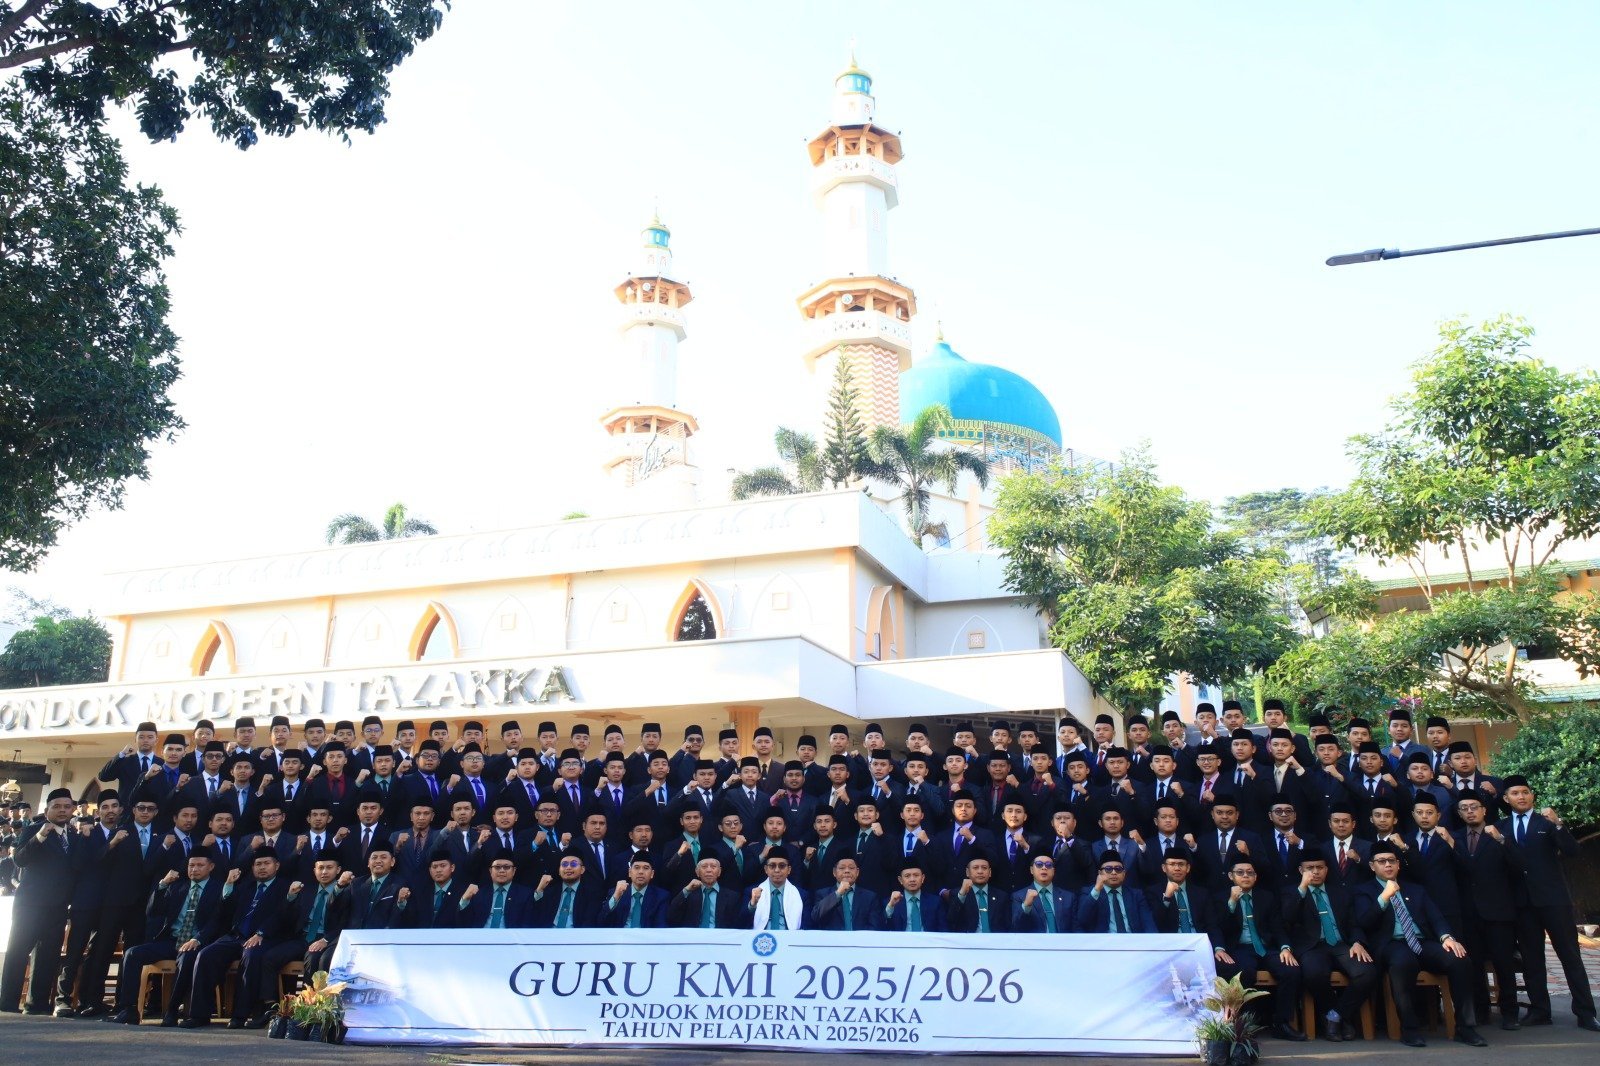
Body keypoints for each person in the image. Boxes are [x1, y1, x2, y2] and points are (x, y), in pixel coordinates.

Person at [1352, 841, 1485, 1047]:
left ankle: (1465, 1027)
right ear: (1372, 866)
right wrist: (1384, 897)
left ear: (1398, 864)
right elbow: (1364, 921)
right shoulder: (1364, 891)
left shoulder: (1416, 890)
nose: (1387, 865)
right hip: (1392, 944)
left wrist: (1447, 937)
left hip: (1421, 941)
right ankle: (1409, 1029)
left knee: (1459, 959)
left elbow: (1435, 917)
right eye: (1382, 861)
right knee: (1404, 962)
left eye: (1392, 861)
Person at [1498, 775, 1599, 1031]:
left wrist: (1559, 824)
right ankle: (1540, 1011)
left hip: (1554, 900)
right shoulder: (1500, 827)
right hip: (1522, 903)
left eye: (1525, 792)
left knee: (1570, 957)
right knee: (1532, 960)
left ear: (1532, 795)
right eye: (1515, 793)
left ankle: (1586, 1013)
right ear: (1506, 799)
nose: (1521, 797)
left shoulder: (1547, 822)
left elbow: (1572, 851)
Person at [105, 849, 227, 1024]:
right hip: (172, 941)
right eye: (191, 865)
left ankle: (172, 1010)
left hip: (198, 943)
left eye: (200, 865)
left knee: (186, 958)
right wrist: (162, 884)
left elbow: (217, 920)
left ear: (211, 867)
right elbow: (152, 911)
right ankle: (129, 1009)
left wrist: (197, 939)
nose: (194, 869)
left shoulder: (219, 888)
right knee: (132, 953)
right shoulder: (178, 887)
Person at [180, 846, 293, 1028]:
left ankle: (240, 1016)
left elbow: (282, 915)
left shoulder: (286, 887)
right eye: (258, 864)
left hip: (267, 938)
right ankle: (199, 1015)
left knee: (251, 955)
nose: (262, 867)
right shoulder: (245, 886)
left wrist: (261, 933)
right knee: (205, 955)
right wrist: (229, 886)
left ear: (277, 865)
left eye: (266, 863)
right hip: (236, 937)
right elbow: (224, 914)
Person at [0, 788, 87, 1014]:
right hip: (30, 905)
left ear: (72, 809)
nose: (62, 810)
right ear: (47, 809)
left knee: (47, 956)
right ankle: (7, 1003)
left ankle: (37, 1004)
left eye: (66, 806)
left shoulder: (74, 836)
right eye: (57, 806)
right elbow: (20, 860)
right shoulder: (33, 830)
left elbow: (77, 868)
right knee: (18, 953)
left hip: (57, 907)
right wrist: (40, 837)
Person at [1211, 857, 1306, 1041]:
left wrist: (1285, 947)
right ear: (1231, 876)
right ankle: (1245, 1023)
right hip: (1240, 948)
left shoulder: (1266, 896)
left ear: (1256, 877)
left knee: (1291, 970)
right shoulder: (1220, 897)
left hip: (1266, 947)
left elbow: (1277, 926)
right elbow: (1218, 926)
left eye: (1250, 873)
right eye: (1240, 872)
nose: (1245, 876)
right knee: (1244, 972)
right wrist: (1232, 902)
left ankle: (1281, 1023)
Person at [1283, 853, 1377, 1042]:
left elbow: (1353, 923)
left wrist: (1357, 941)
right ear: (1301, 870)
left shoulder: (1340, 892)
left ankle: (1335, 1016)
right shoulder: (1291, 892)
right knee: (1314, 974)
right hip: (1312, 947)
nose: (1315, 872)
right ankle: (1340, 1019)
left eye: (1320, 867)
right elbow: (1287, 919)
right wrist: (1302, 888)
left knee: (1367, 972)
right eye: (1310, 868)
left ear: (1326, 870)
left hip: (1342, 944)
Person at [1451, 790, 1524, 1030]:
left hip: (1498, 912)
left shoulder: (1499, 834)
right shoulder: (1454, 838)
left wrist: (1502, 841)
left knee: (1504, 965)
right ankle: (1481, 1011)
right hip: (1469, 913)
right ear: (1459, 813)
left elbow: (1519, 867)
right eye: (1464, 808)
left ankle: (1510, 1013)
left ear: (1484, 810)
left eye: (1474, 807)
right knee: (1474, 966)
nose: (1470, 811)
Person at [1076, 850, 1156, 933]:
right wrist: (1097, 889)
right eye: (1108, 869)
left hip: (1131, 939)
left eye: (1118, 869)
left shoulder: (1136, 895)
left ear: (1124, 874)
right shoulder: (1090, 892)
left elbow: (1148, 923)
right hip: (1103, 940)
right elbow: (1082, 920)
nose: (1114, 872)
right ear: (1100, 873)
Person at [668, 856, 744, 929]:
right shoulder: (689, 894)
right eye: (704, 867)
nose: (709, 870)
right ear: (697, 872)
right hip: (693, 936)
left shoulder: (732, 897)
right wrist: (686, 890)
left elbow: (738, 925)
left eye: (713, 867)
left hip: (720, 936)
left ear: (719, 872)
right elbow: (671, 916)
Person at [1011, 853, 1076, 933]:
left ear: (1053, 871)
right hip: (1034, 941)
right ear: (1031, 870)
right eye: (1039, 864)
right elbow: (1016, 927)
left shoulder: (1069, 897)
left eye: (1048, 865)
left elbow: (1076, 928)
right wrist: (1026, 905)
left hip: (1063, 941)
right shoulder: (1019, 896)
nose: (1044, 868)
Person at [946, 853, 1010, 933]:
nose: (980, 871)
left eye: (984, 868)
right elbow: (951, 921)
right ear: (967, 872)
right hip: (969, 940)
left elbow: (1008, 927)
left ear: (990, 872)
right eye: (975, 868)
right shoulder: (958, 893)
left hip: (995, 940)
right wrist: (962, 894)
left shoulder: (1001, 896)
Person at [749, 851, 807, 930]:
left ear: (789, 870)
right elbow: (742, 923)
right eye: (772, 866)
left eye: (782, 866)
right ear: (766, 869)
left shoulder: (802, 895)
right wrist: (752, 905)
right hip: (762, 937)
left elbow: (807, 927)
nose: (777, 870)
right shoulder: (752, 892)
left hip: (790, 937)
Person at [883, 861, 943, 931]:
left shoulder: (935, 902)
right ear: (900, 880)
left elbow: (944, 930)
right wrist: (890, 906)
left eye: (916, 875)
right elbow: (881, 928)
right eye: (907, 876)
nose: (912, 880)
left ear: (923, 878)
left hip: (927, 938)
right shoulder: (890, 902)